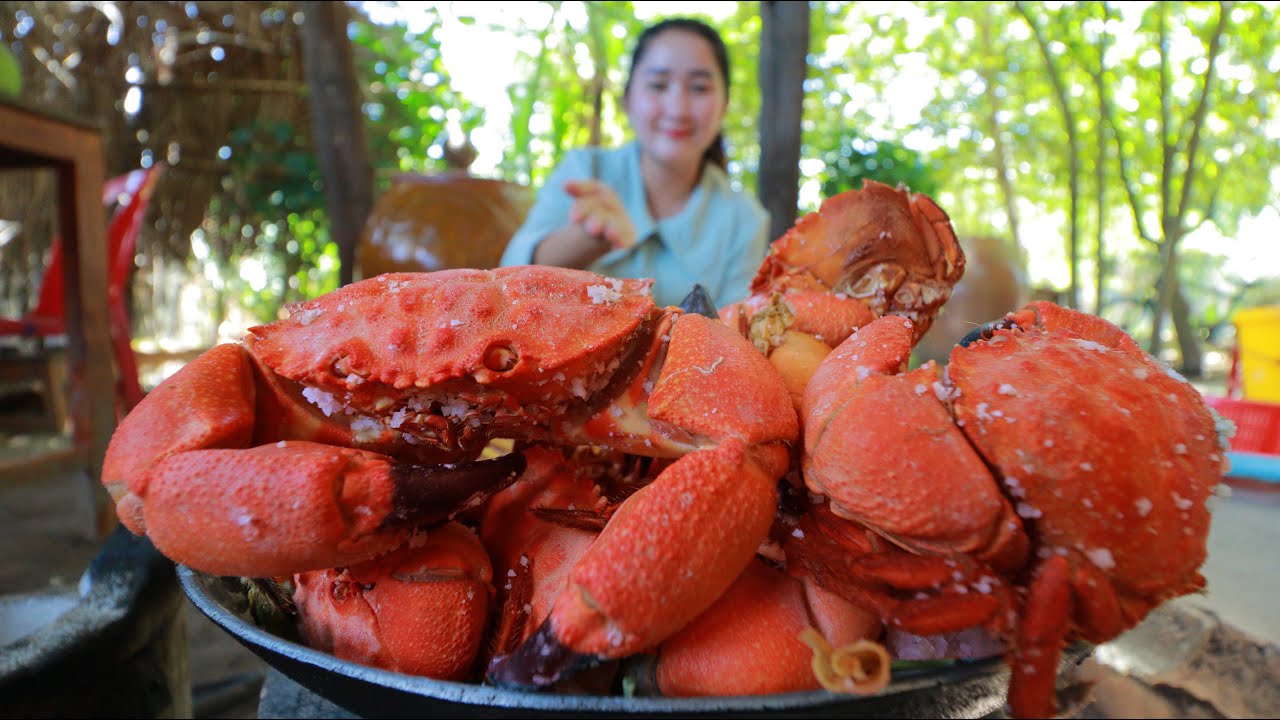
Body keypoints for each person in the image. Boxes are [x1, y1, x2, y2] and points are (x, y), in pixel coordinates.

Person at [498, 17, 770, 310]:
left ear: (725, 104)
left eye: (699, 88)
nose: (678, 109)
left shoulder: (745, 220)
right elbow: (505, 280)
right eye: (658, 85)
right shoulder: (585, 170)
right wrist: (588, 237)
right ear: (627, 100)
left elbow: (737, 336)